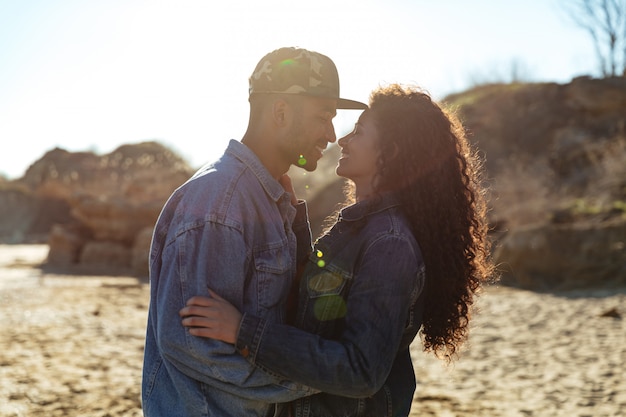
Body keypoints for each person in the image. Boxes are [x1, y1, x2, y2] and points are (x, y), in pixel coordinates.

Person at [180, 84, 497, 417]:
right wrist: (293, 219)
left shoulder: (388, 243)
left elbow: (360, 371)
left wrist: (242, 331)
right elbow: (321, 299)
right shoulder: (363, 227)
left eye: (358, 132)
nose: (342, 140)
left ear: (391, 150)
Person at [141, 46, 367, 417]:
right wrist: (316, 382)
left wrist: (294, 222)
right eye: (323, 116)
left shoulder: (267, 198)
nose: (331, 133)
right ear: (280, 112)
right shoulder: (220, 201)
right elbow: (190, 344)